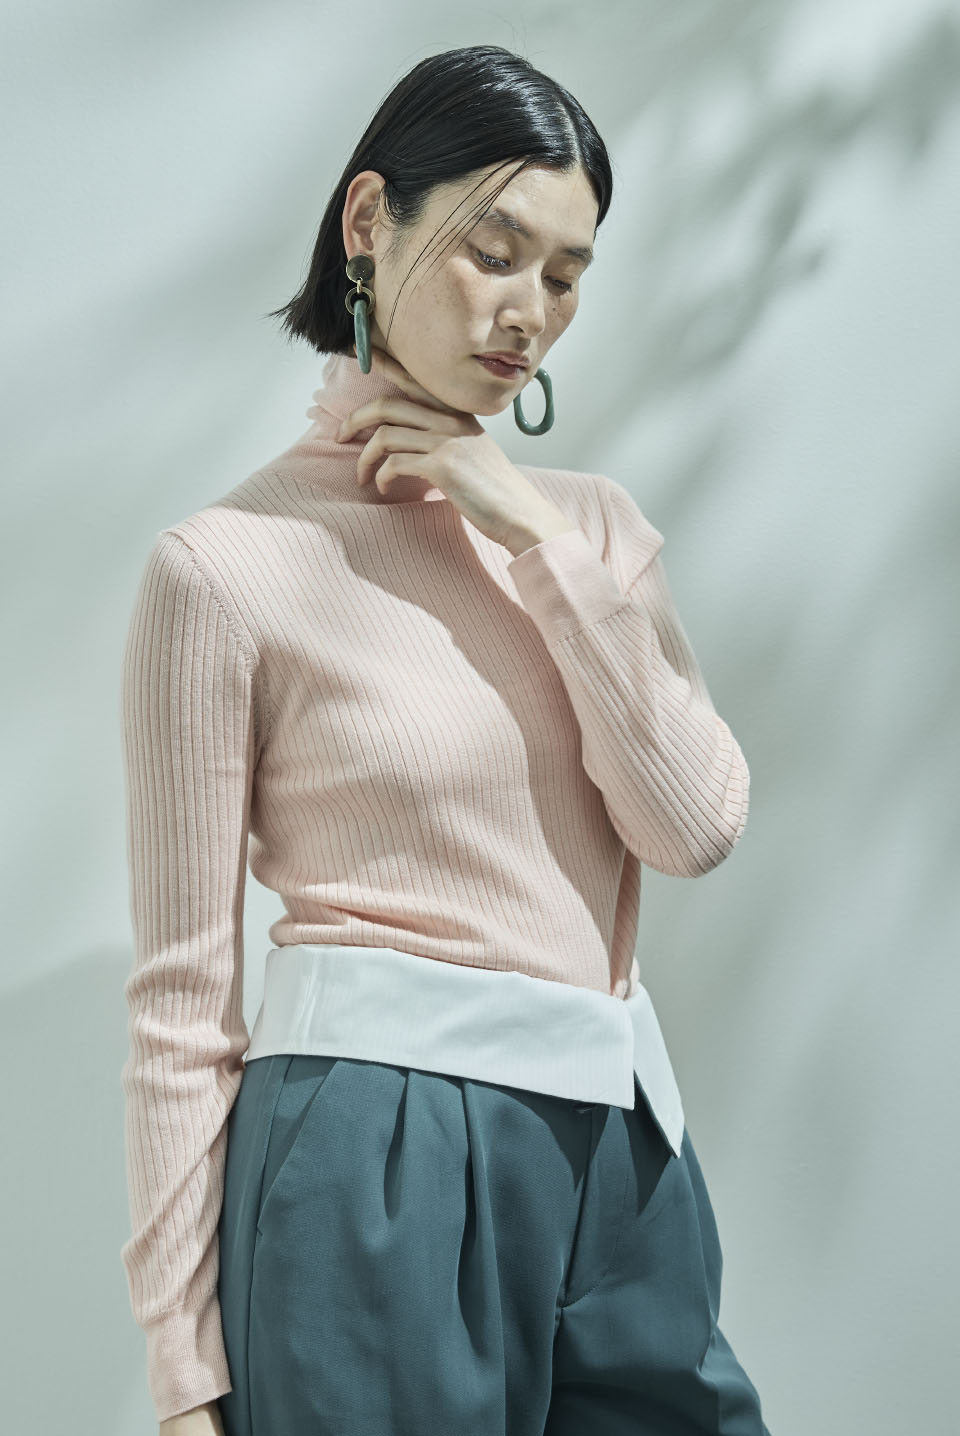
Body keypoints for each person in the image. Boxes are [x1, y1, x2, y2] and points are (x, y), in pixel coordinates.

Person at [120, 42, 772, 1436]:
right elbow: (182, 1002)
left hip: (623, 1146)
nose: (530, 310)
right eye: (495, 251)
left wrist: (525, 527)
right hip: (379, 1156)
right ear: (370, 222)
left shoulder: (588, 533)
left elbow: (695, 825)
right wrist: (184, 1373)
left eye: (567, 274)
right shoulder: (224, 570)